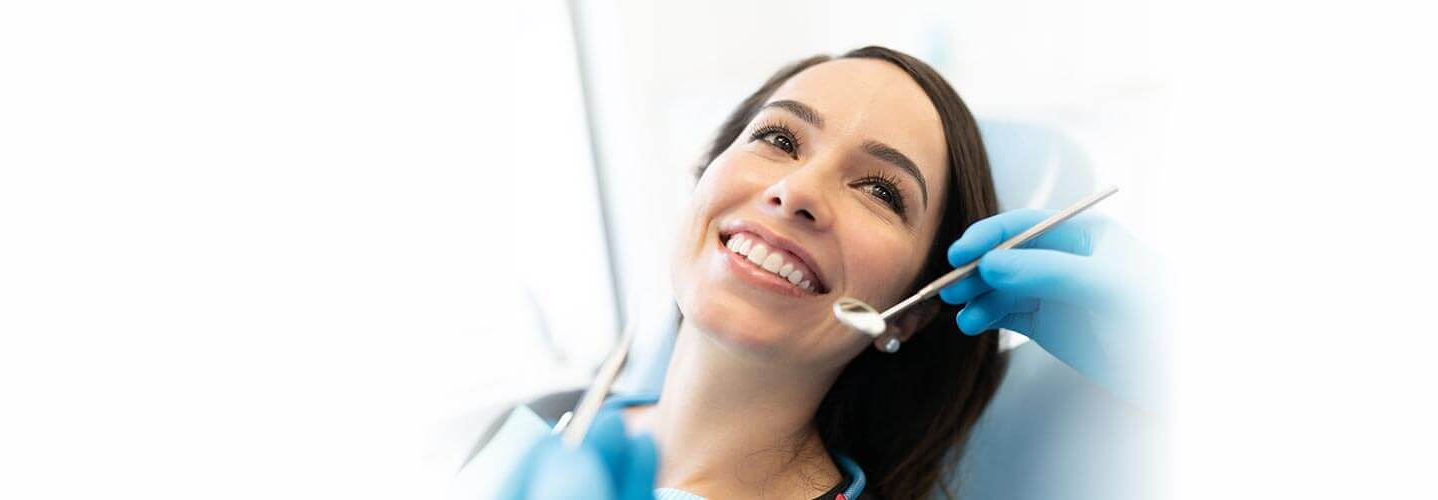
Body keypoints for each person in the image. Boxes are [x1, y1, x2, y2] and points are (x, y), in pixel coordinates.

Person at [486, 46, 1143, 500]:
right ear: (703, 178)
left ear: (912, 311)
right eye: (778, 139)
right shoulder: (537, 424)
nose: (797, 190)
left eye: (880, 191)